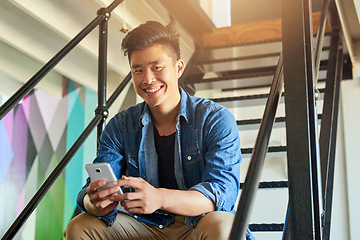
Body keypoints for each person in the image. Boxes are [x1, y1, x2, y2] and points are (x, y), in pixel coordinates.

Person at [65, 21, 254, 240]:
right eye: (138, 70)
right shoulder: (120, 125)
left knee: (224, 226)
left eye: (157, 67)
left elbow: (221, 194)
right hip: (144, 224)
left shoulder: (215, 119)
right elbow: (91, 193)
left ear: (179, 67)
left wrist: (160, 198)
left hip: (198, 222)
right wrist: (94, 202)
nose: (147, 79)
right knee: (79, 226)